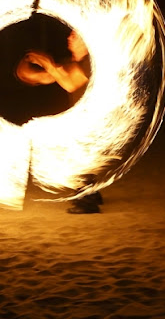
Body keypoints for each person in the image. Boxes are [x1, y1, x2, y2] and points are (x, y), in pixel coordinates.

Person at [15, 30, 103, 214]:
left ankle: (86, 203)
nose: (69, 38)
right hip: (83, 116)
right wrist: (26, 70)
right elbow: (47, 76)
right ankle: (92, 194)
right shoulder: (72, 62)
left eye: (75, 35)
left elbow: (71, 83)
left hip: (93, 116)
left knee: (78, 155)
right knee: (83, 154)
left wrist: (48, 63)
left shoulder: (91, 63)